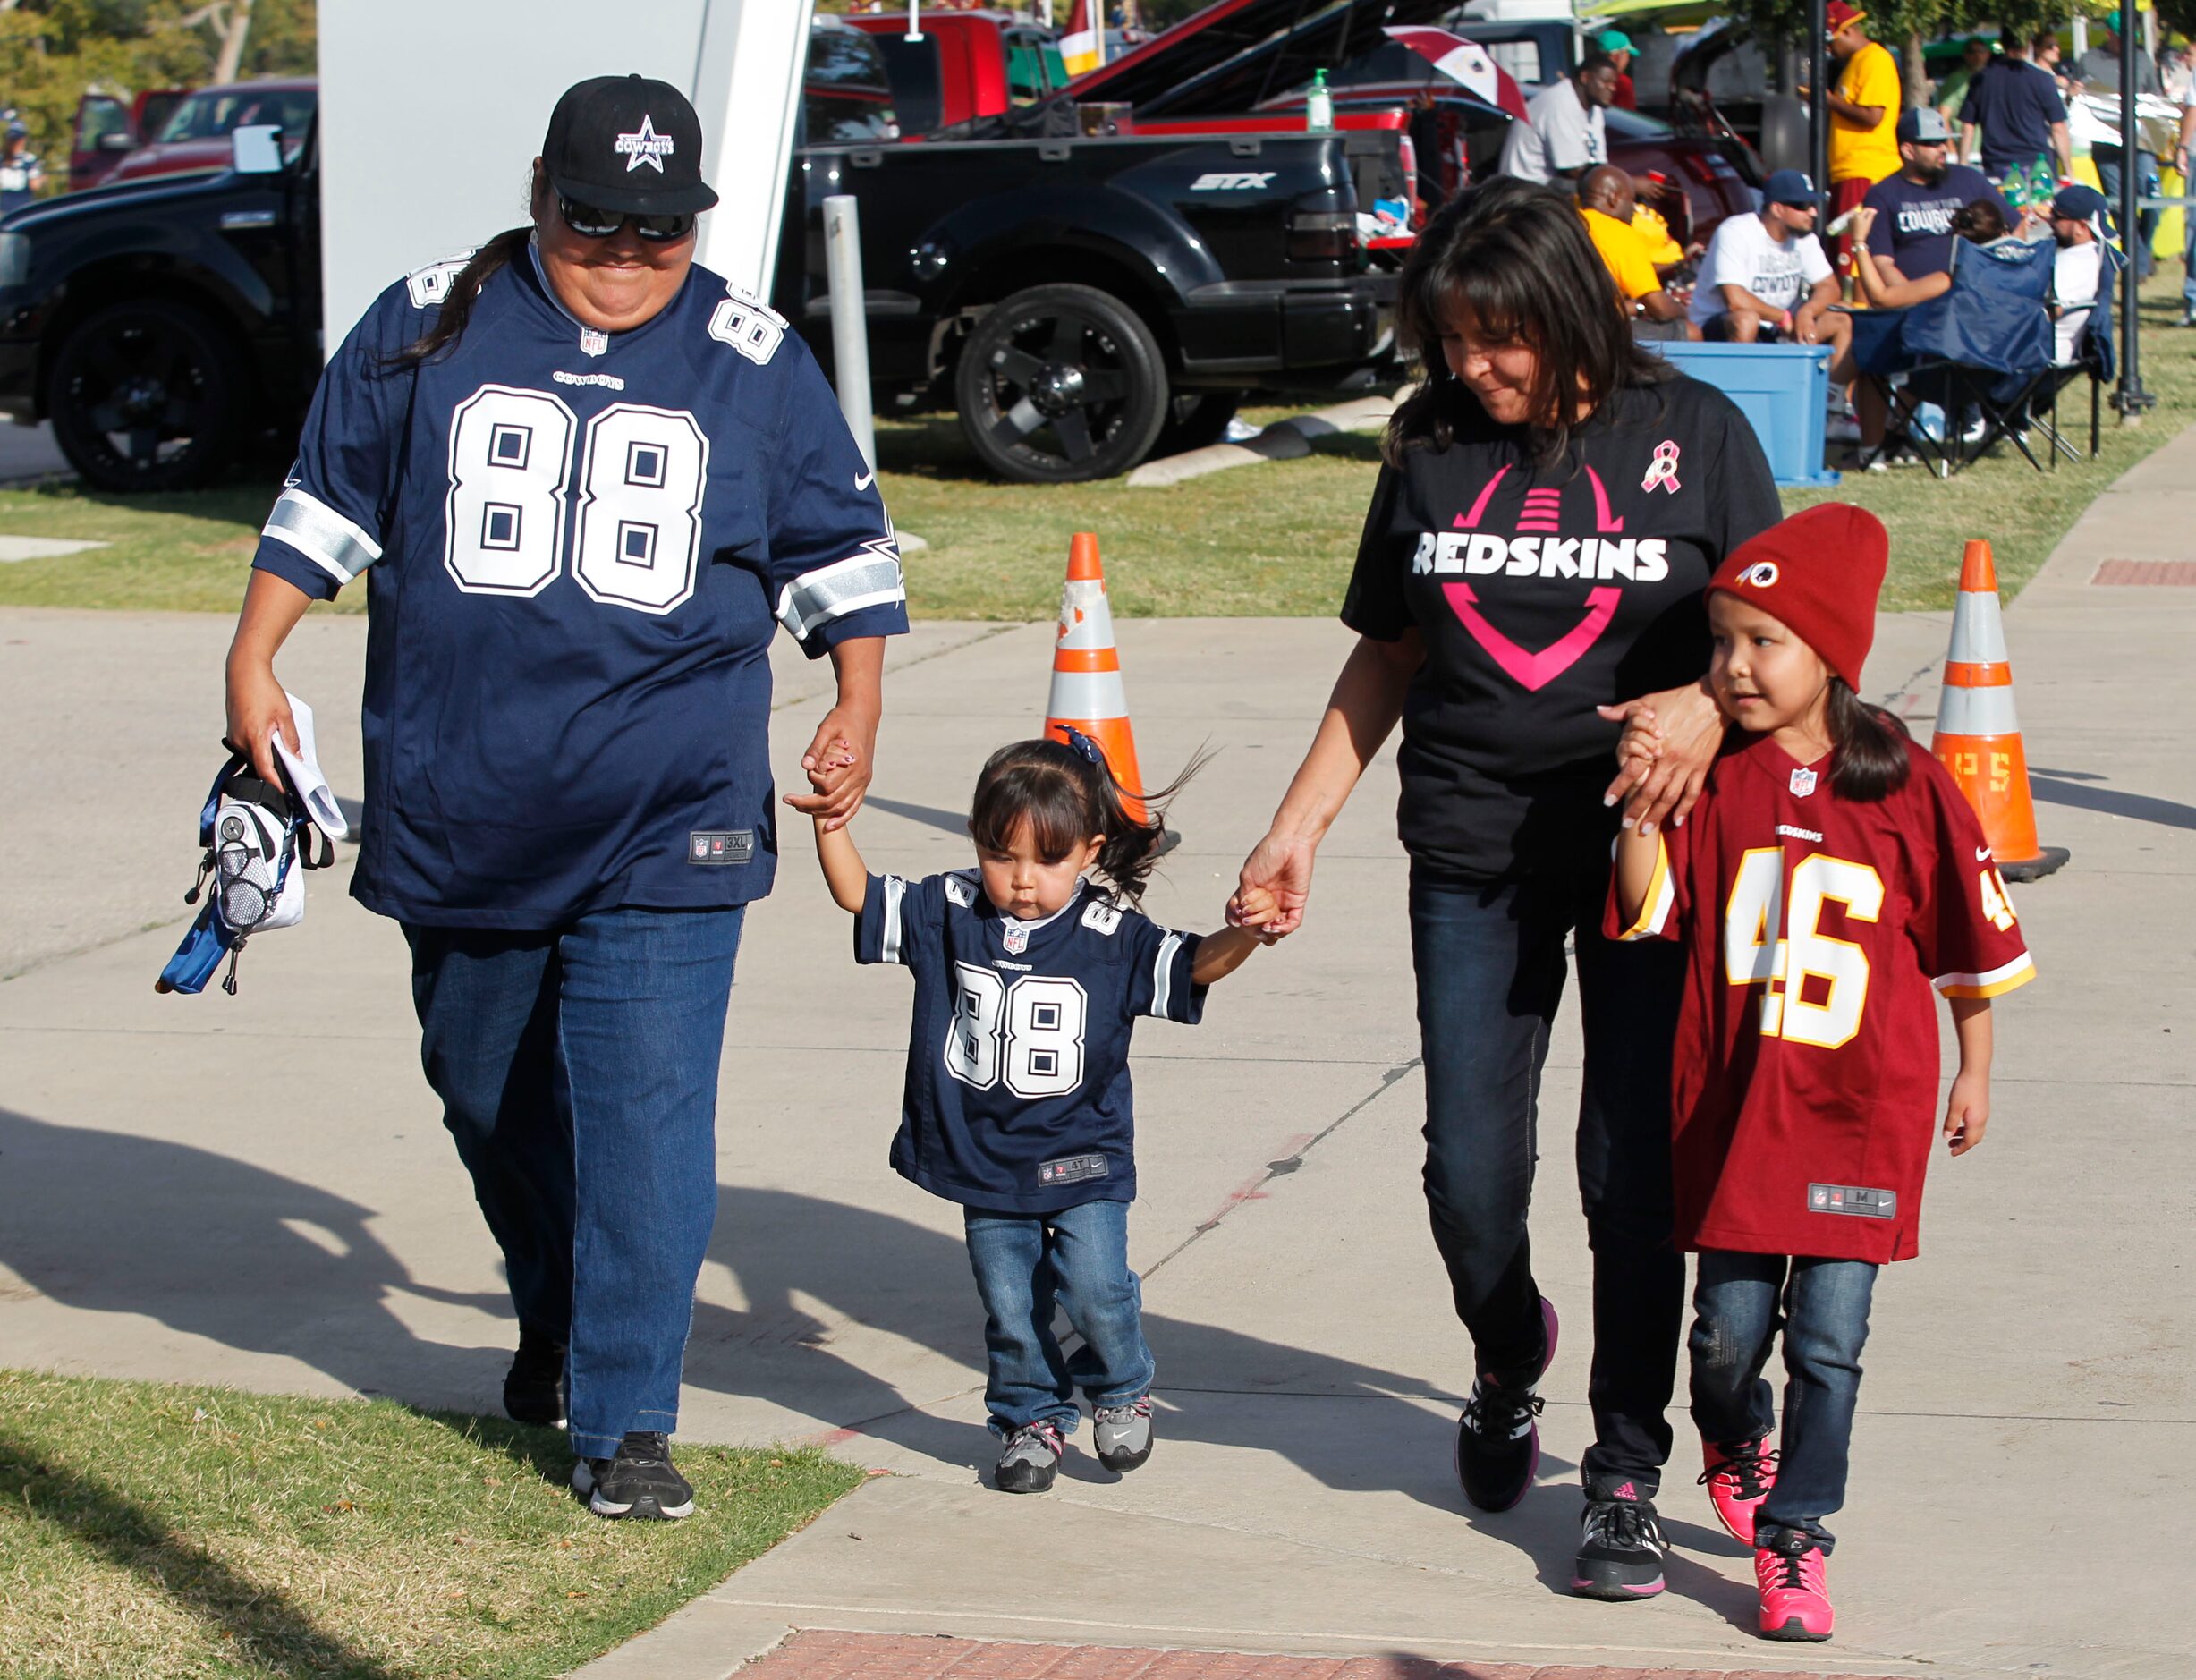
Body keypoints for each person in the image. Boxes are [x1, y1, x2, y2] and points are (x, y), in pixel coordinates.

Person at [223, 75, 909, 1521]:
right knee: (485, 1087)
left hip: (675, 798)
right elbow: (328, 502)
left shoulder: (750, 351)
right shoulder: (429, 319)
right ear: (541, 190)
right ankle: (562, 1306)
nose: (621, 256)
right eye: (595, 222)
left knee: (645, 1111)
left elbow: (839, 550)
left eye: (655, 234)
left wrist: (856, 701)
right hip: (463, 786)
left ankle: (627, 1415)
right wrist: (255, 649)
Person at [1230, 176, 1784, 1603]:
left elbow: (1785, 647)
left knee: (1629, 1176)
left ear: (1565, 312)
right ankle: (1501, 1354)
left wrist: (1710, 717)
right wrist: (1296, 826)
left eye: (1498, 342)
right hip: (1469, 849)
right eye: (1451, 342)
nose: (1471, 370)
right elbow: (1387, 651)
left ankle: (1619, 1472)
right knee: (1468, 1174)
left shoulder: (1695, 435)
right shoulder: (1425, 446)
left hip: (1643, 858)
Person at [1607, 503, 2034, 1643]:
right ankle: (1733, 1436)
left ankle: (1797, 1537)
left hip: (1863, 1117)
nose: (1733, 669)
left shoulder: (1906, 781)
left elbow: (1968, 948)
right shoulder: (1718, 779)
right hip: (1740, 1115)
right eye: (1721, 642)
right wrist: (1643, 793)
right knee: (1723, 1341)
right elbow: (1647, 910)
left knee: (1832, 1342)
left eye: (1763, 642)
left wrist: (1974, 1071)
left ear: (1829, 651)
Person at [814, 734, 1273, 1493]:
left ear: (1090, 851)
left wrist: (1249, 930)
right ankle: (1029, 1417)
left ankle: (1122, 1385)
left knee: (1094, 1285)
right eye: (1003, 856)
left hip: (1081, 1150)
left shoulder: (1109, 935)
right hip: (982, 1157)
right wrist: (832, 824)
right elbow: (861, 896)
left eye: (1047, 861)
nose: (1023, 880)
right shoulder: (948, 908)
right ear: (974, 841)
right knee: (1010, 1303)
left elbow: (1190, 966)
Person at [1837, 199, 2012, 454]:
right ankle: (1896, 437)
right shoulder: (2015, 279)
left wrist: (1859, 243)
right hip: (2005, 374)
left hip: (1950, 380)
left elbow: (1881, 297)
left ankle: (1872, 451)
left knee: (1875, 359)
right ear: (2004, 234)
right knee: (1920, 348)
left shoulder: (1951, 280)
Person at [1688, 170, 1852, 368]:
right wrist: (1783, 318)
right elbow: (1735, 300)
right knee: (1746, 320)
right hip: (1721, 327)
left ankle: (1830, 395)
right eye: (1803, 206)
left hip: (1782, 327)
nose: (1813, 213)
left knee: (1844, 316)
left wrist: (1806, 313)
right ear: (1777, 209)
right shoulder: (1735, 232)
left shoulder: (1805, 239)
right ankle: (1740, 393)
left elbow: (1830, 287)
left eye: (1813, 205)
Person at [1860, 107, 2011, 284]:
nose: (1943, 149)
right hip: (1916, 302)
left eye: (1944, 141)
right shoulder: (1883, 194)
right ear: (1908, 151)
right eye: (1933, 143)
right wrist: (1912, 299)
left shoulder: (1970, 179)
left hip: (1973, 296)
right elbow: (1882, 263)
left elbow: (2016, 226)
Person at [1812, 1, 1903, 281]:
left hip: (1866, 169)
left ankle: (1859, 316)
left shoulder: (1875, 58)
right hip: (1849, 171)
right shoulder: (1854, 64)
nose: (1830, 50)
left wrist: (1829, 101)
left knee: (1854, 258)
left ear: (1846, 31)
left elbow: (1873, 116)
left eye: (1830, 42)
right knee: (1844, 255)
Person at [2078, 10, 2161, 280]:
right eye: (2121, 38)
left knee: (2152, 202)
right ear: (2109, 34)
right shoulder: (2089, 61)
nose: (2127, 43)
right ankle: (2136, 268)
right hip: (2106, 148)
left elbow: (2156, 99)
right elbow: (2081, 98)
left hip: (2142, 143)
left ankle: (2141, 253)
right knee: (2119, 206)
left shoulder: (2143, 59)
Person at [1578, 165, 1689, 335]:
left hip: (1555, 326)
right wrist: (1685, 312)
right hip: (1596, 333)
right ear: (1613, 198)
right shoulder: (1619, 233)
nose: (1634, 209)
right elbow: (1660, 308)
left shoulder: (1565, 222)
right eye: (1632, 201)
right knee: (1690, 331)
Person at [1960, 33, 2072, 182]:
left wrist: (1962, 165)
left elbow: (1968, 127)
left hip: (1996, 164)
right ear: (2029, 46)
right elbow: (2058, 128)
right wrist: (2069, 172)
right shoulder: (2042, 79)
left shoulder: (1981, 79)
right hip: (2038, 165)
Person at [1498, 52, 1619, 185]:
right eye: (1606, 81)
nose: (1612, 88)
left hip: (1549, 183)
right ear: (1585, 78)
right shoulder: (1560, 103)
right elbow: (1572, 171)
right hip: (1524, 188)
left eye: (1614, 83)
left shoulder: (1594, 108)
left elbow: (1599, 163)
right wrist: (1631, 184)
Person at [2047, 182, 2110, 362]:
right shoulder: (2096, 256)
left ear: (2082, 226)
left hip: (2032, 358)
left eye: (2056, 216)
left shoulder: (2073, 265)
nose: (2049, 220)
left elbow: (2052, 311)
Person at [1933, 36, 1995, 129]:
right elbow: (1943, 116)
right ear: (1965, 55)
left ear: (1988, 54)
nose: (1977, 55)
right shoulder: (1956, 80)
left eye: (1981, 51)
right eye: (1972, 52)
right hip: (1964, 141)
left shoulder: (1992, 79)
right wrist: (1950, 143)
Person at [0, 122, 45, 216]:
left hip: (3, 205)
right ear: (23, 140)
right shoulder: (29, 160)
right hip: (22, 207)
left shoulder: (2, 159)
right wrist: (43, 179)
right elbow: (34, 185)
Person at [1598, 30, 1640, 111]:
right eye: (1627, 54)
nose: (1628, 60)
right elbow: (1627, 118)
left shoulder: (1587, 78)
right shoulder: (1623, 82)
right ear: (1616, 56)